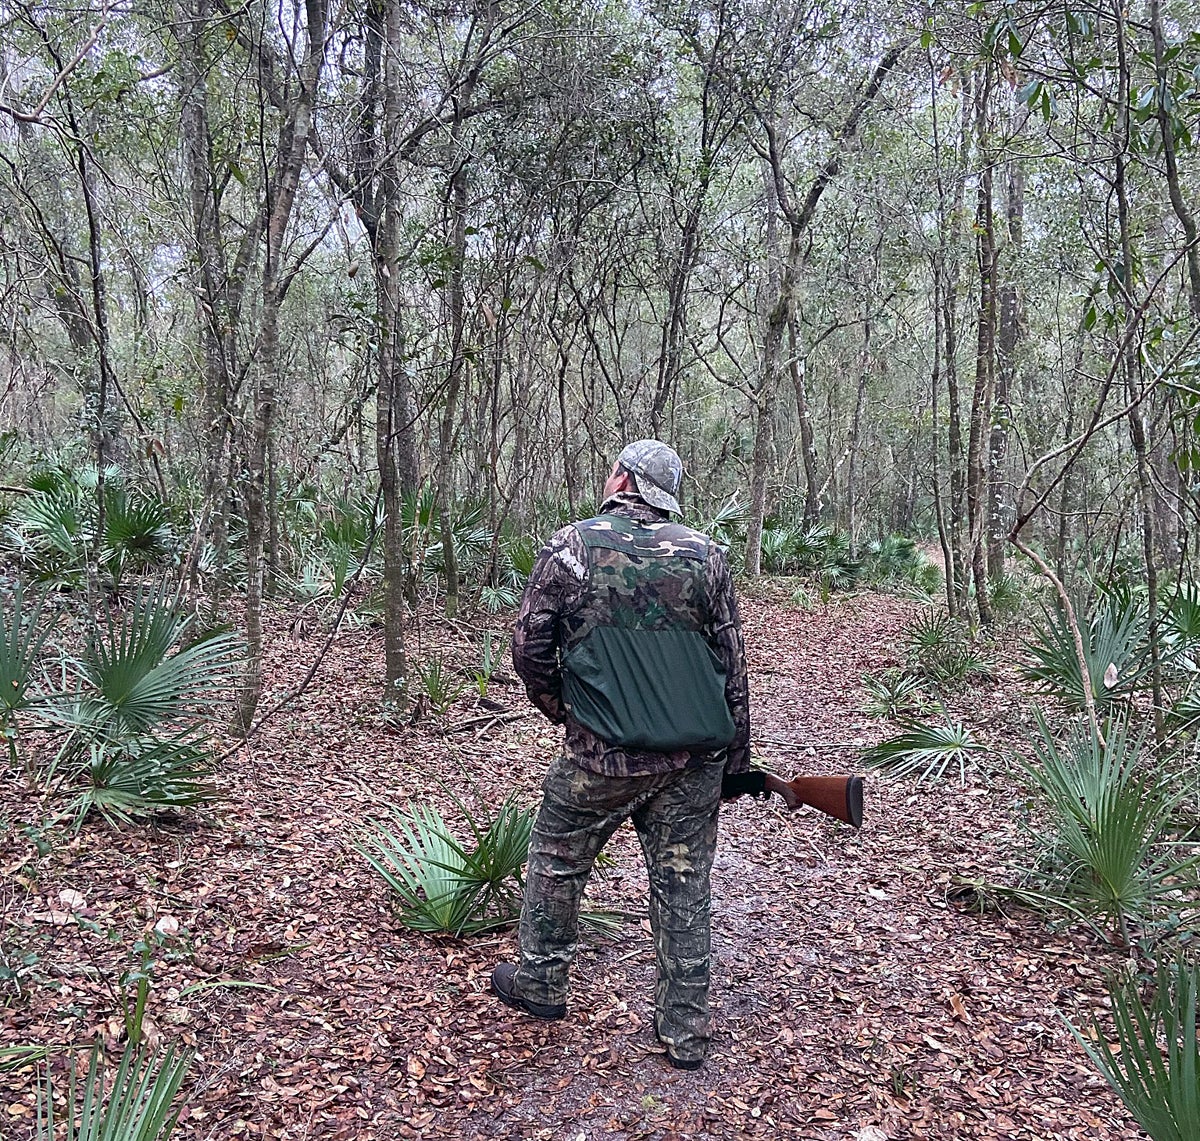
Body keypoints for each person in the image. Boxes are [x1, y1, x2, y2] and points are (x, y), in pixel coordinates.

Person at [490, 439, 750, 1071]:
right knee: (684, 886)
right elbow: (730, 666)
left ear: (622, 479)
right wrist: (736, 759)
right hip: (691, 762)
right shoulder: (706, 556)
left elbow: (529, 646)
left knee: (556, 855)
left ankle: (542, 982)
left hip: (599, 760)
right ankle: (685, 1030)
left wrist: (566, 709)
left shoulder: (573, 546)